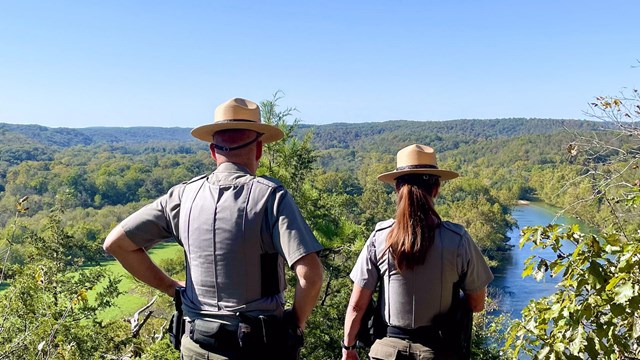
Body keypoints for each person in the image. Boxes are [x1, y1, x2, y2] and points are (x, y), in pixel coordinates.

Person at [103, 97, 324, 359]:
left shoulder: (181, 197)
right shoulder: (271, 197)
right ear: (259, 150)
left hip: (195, 345)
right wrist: (294, 325)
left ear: (212, 150)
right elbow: (310, 274)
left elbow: (116, 243)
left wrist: (171, 287)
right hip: (256, 348)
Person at [341, 144, 493, 360]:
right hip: (437, 352)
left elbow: (357, 305)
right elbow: (477, 305)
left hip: (385, 352)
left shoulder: (380, 236)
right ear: (436, 189)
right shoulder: (457, 239)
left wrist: (348, 348)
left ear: (397, 189)